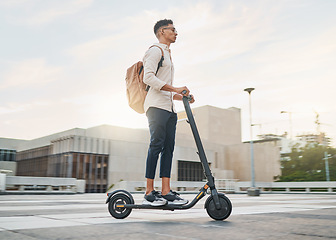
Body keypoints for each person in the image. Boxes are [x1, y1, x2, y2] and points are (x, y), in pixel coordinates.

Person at [142, 19, 195, 206]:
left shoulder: (168, 54)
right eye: (173, 29)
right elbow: (148, 77)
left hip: (169, 108)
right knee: (156, 145)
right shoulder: (155, 51)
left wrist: (182, 96)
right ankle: (149, 191)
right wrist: (176, 89)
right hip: (156, 107)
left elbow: (165, 89)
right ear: (162, 31)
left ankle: (165, 190)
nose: (176, 32)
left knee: (169, 148)